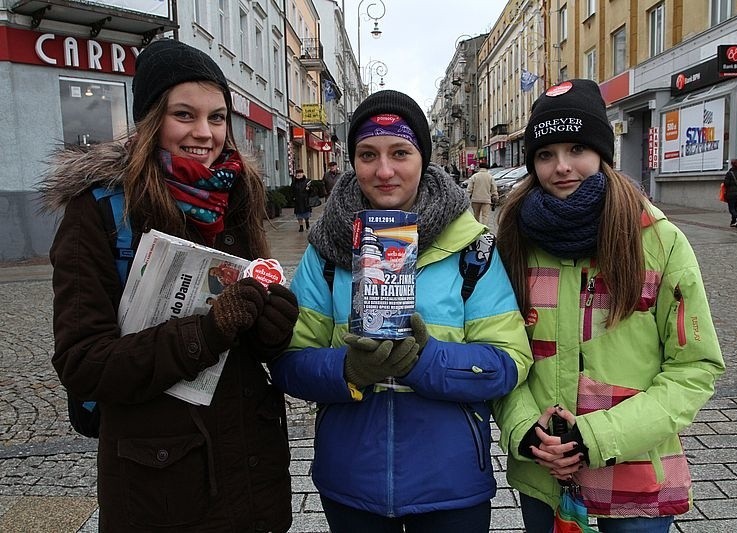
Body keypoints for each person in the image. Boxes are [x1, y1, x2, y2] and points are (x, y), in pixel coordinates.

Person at [40, 39, 299, 533]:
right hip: (160, 488)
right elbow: (83, 364)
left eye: (218, 118)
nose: (205, 134)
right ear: (151, 119)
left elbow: (251, 343)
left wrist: (272, 326)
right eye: (185, 115)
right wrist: (205, 332)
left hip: (250, 476)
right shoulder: (99, 212)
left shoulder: (236, 194)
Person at [270, 89, 531, 533]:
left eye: (400, 153)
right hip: (352, 481)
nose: (384, 170)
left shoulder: (473, 249)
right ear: (353, 160)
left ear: (423, 159)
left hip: (450, 484)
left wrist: (426, 361)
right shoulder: (326, 252)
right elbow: (289, 364)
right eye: (368, 154)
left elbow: (510, 362)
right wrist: (348, 370)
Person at [493, 79, 726, 533]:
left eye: (577, 148)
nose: (561, 167)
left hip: (634, 481)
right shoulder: (513, 244)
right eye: (545, 154)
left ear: (603, 152)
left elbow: (694, 369)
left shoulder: (658, 242)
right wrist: (524, 430)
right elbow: (502, 356)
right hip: (545, 478)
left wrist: (593, 437)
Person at [292, 168, 312, 232]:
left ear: (303, 174)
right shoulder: (294, 182)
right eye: (297, 174)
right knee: (298, 214)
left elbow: (312, 191)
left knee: (306, 214)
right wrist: (293, 197)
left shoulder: (307, 181)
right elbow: (292, 190)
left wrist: (309, 189)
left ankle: (307, 223)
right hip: (297, 201)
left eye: (300, 173)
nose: (299, 175)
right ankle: (301, 226)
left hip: (305, 200)